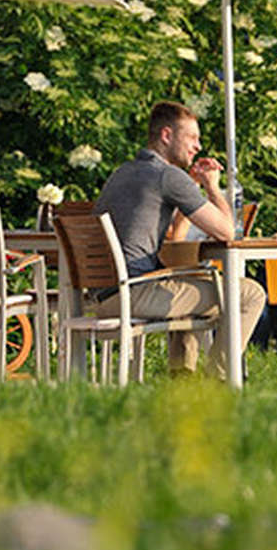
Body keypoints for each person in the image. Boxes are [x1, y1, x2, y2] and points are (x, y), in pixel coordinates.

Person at [95, 101, 266, 378]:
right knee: (249, 294)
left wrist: (192, 189)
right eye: (192, 137)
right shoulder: (167, 175)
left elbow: (176, 235)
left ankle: (182, 377)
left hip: (103, 295)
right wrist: (212, 186)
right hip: (136, 293)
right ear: (166, 136)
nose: (198, 146)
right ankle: (219, 380)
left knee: (193, 284)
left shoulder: (123, 172)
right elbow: (226, 231)